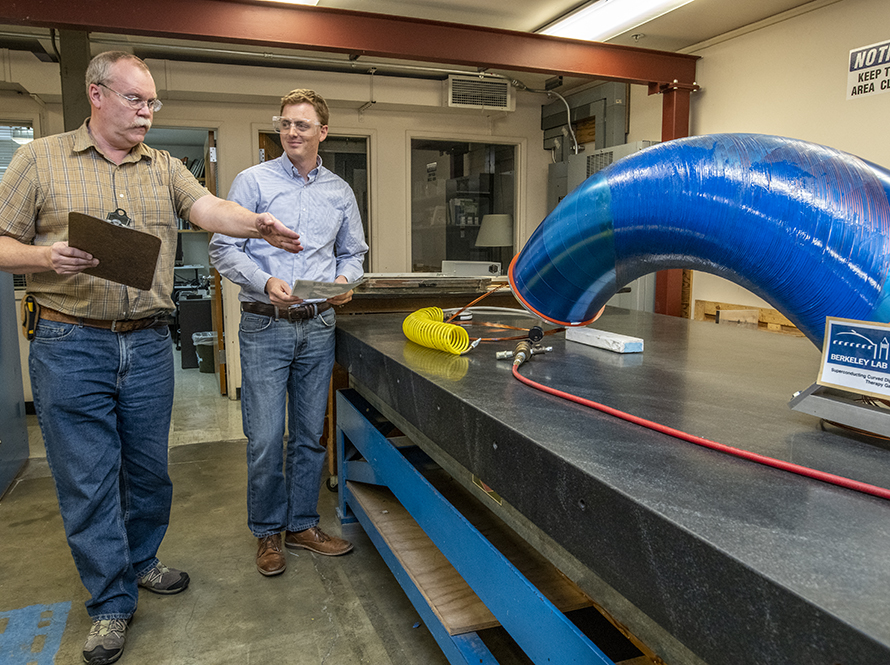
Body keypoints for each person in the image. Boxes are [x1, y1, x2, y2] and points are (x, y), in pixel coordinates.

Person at [0, 51, 301, 665]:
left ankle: (140, 560)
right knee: (86, 478)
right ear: (97, 95)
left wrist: (253, 223)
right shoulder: (39, 158)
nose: (147, 111)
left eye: (153, 102)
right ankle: (110, 602)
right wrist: (44, 258)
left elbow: (207, 209)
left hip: (145, 341)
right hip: (69, 340)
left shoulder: (163, 165)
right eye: (137, 100)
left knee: (148, 471)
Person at [209, 89, 367, 577]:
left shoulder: (339, 192)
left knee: (309, 436)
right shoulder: (253, 182)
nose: (292, 132)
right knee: (262, 437)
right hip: (265, 324)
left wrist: (345, 283)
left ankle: (301, 525)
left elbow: (354, 253)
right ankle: (266, 533)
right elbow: (222, 248)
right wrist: (265, 280)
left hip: (318, 325)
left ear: (323, 132)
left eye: (302, 125)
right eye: (285, 124)